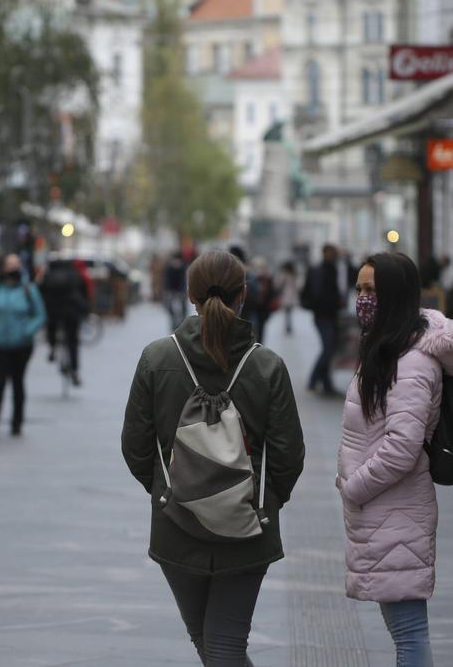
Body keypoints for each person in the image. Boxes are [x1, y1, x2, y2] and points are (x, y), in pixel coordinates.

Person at [121, 250, 305, 667]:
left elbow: (135, 446)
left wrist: (170, 489)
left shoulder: (157, 359)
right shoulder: (267, 366)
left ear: (189, 295)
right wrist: (262, 500)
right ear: (244, 295)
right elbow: (288, 456)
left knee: (210, 642)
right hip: (247, 528)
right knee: (222, 644)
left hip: (176, 523)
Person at [337, 252, 453, 667]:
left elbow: (402, 448)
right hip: (385, 510)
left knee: (409, 634)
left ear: (394, 295)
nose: (362, 298)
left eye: (371, 290)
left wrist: (354, 486)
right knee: (403, 631)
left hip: (396, 511)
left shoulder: (411, 361)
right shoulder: (390, 349)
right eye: (358, 288)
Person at [0, 253, 47, 436]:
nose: (13, 268)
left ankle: (17, 423)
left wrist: (27, 331)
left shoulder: (28, 288)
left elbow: (40, 314)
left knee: (17, 382)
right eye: (9, 264)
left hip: (21, 345)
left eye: (16, 264)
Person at [302, 244, 351, 395]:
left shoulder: (336, 269)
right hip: (323, 315)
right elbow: (316, 293)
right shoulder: (321, 270)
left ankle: (326, 383)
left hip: (330, 315)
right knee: (328, 349)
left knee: (329, 348)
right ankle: (313, 379)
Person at [40, 258, 90, 386]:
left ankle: (52, 348)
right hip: (72, 311)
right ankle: (74, 369)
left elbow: (41, 292)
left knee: (51, 327)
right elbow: (84, 292)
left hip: (54, 311)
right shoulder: (75, 274)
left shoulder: (49, 275)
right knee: (73, 341)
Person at [163, 251, 189, 331]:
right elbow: (167, 281)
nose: (176, 263)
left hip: (181, 290)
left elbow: (183, 280)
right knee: (169, 306)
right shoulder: (169, 267)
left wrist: (183, 291)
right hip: (171, 290)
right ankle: (173, 322)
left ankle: (183, 323)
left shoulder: (183, 267)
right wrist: (167, 292)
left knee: (183, 306)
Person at [274, 261, 300, 336]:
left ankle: (288, 326)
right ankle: (288, 326)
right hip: (292, 296)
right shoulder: (294, 274)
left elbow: (278, 285)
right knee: (289, 312)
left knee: (287, 312)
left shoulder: (284, 274)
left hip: (286, 295)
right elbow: (298, 285)